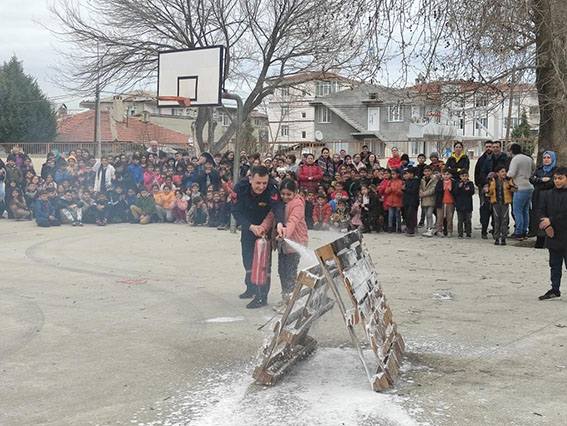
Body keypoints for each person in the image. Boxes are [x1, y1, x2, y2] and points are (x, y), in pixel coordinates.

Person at [232, 165, 285, 309]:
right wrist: (250, 226)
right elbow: (235, 211)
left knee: (263, 263)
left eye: (264, 183)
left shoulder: (272, 187)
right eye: (258, 183)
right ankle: (251, 288)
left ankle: (262, 297)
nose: (261, 187)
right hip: (248, 224)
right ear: (250, 179)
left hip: (264, 227)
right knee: (247, 259)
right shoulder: (240, 188)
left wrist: (280, 223)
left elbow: (278, 206)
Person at [260, 178, 308, 303]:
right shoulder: (279, 203)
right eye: (283, 194)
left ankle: (291, 299)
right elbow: (271, 216)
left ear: (295, 192)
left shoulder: (298, 204)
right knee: (281, 270)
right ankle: (285, 297)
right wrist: (262, 227)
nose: (285, 197)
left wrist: (284, 233)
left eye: (289, 194)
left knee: (290, 271)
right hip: (282, 243)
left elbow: (293, 221)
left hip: (295, 242)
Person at [537, 167, 567, 300]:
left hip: (565, 233)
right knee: (554, 264)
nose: (557, 181)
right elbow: (540, 211)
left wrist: (551, 220)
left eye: (560, 178)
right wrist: (547, 224)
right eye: (555, 178)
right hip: (552, 234)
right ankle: (555, 289)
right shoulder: (548, 194)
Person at [507, 143, 535, 240]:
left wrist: (505, 175)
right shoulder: (528, 158)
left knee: (517, 211)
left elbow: (511, 173)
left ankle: (518, 232)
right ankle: (524, 231)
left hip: (519, 187)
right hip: (529, 186)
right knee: (525, 211)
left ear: (512, 150)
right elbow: (533, 170)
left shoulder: (515, 159)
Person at [530, 151, 557, 248]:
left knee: (549, 216)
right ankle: (539, 239)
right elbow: (532, 179)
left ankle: (549, 239)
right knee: (538, 216)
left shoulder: (555, 170)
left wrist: (540, 182)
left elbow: (552, 183)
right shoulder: (539, 169)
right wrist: (541, 180)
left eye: (548, 157)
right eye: (544, 157)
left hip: (551, 197)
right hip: (538, 196)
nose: (546, 159)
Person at [487, 166, 517, 245]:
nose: (504, 173)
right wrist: (487, 191)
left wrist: (510, 187)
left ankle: (503, 237)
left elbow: (515, 189)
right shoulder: (493, 181)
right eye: (502, 171)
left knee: (504, 220)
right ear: (497, 173)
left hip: (505, 203)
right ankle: (496, 237)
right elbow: (490, 192)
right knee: (496, 220)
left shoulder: (508, 181)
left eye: (505, 171)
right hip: (496, 203)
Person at [475, 141, 494, 239]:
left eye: (490, 146)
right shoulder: (481, 159)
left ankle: (495, 229)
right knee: (484, 207)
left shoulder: (496, 158)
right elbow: (478, 172)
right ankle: (484, 228)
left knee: (495, 208)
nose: (489, 148)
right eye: (487, 146)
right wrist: (479, 183)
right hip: (483, 186)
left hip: (495, 187)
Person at [453, 170, 475, 238]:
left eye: (466, 176)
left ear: (468, 176)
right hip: (459, 204)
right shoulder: (457, 183)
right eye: (462, 176)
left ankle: (468, 233)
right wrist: (459, 187)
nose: (464, 177)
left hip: (468, 205)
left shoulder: (470, 183)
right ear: (460, 177)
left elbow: (472, 192)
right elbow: (455, 193)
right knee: (460, 220)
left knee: (468, 220)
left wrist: (469, 190)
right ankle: (460, 233)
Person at [435, 169, 456, 237]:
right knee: (440, 218)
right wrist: (442, 189)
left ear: (451, 175)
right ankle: (439, 230)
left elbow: (456, 192)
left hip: (450, 202)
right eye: (444, 174)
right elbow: (436, 190)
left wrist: (451, 190)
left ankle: (449, 231)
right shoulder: (440, 182)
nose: (446, 176)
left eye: (447, 174)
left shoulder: (453, 182)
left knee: (449, 218)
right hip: (441, 202)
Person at [420, 166, 438, 237]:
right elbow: (420, 187)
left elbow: (433, 190)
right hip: (424, 200)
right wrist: (420, 191)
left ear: (431, 171)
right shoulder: (422, 179)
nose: (427, 173)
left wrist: (423, 194)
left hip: (431, 199)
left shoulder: (435, 179)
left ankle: (431, 228)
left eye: (428, 171)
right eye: (425, 171)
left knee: (429, 214)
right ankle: (428, 227)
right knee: (426, 214)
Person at [402, 167, 420, 236]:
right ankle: (408, 228)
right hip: (406, 200)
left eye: (407, 173)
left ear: (412, 174)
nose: (406, 175)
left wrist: (405, 189)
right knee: (407, 215)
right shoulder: (408, 181)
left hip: (413, 201)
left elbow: (414, 191)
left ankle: (412, 230)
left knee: (411, 215)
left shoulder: (416, 181)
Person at [385, 168, 403, 233]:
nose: (393, 176)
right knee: (390, 216)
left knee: (398, 216)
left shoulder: (400, 182)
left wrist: (394, 190)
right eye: (392, 174)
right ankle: (390, 228)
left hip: (397, 202)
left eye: (394, 174)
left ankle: (399, 228)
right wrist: (389, 189)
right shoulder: (390, 182)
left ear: (398, 174)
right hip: (390, 202)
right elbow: (386, 191)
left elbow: (401, 193)